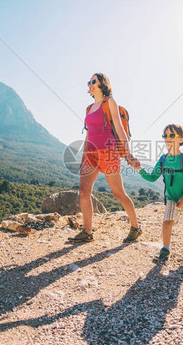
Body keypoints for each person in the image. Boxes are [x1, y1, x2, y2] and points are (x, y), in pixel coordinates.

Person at [68, 73, 142, 243]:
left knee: (118, 193)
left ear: (102, 83)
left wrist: (128, 153)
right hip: (91, 155)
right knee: (84, 192)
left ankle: (136, 227)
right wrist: (83, 157)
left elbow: (119, 127)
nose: (90, 84)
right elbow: (88, 134)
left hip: (108, 152)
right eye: (89, 81)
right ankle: (87, 232)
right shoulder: (89, 108)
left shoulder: (109, 102)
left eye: (93, 81)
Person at [134, 124, 183, 261]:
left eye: (172, 135)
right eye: (165, 135)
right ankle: (165, 249)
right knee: (167, 222)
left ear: (181, 139)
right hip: (171, 197)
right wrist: (139, 169)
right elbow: (152, 177)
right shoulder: (163, 159)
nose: (167, 138)